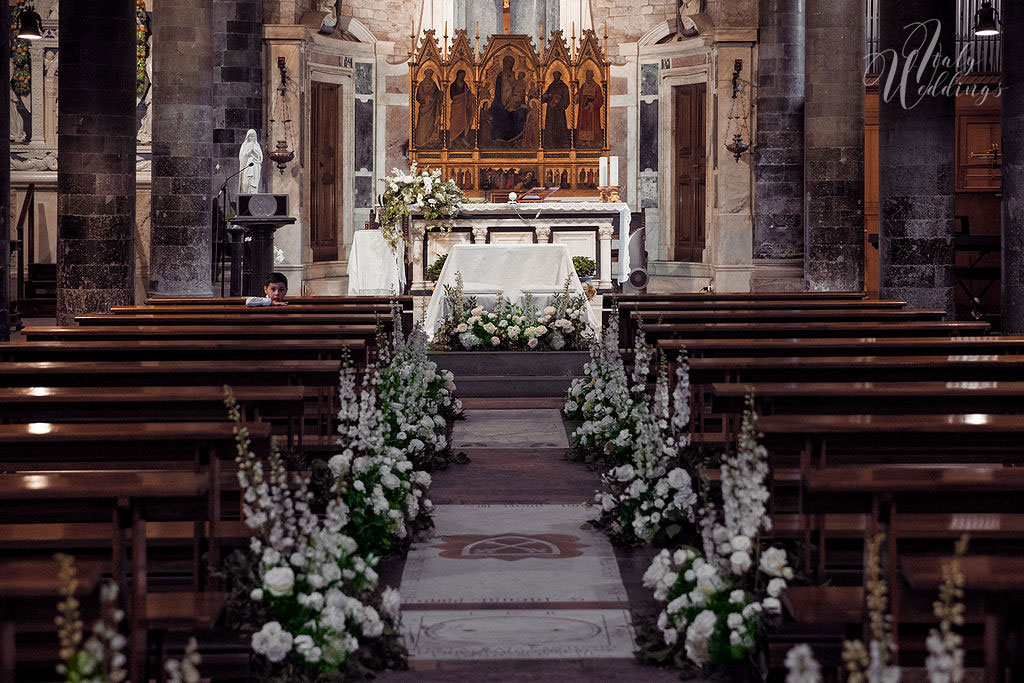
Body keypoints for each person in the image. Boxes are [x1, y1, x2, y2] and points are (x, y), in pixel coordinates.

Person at [576, 69, 605, 147]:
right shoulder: (583, 86)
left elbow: (600, 100)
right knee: (583, 125)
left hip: (592, 112)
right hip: (583, 112)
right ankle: (583, 140)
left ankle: (592, 142)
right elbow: (578, 97)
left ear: (592, 76)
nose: (587, 77)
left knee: (592, 125)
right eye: (586, 75)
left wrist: (591, 104)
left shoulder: (596, 86)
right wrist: (576, 90)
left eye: (589, 75)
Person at [541, 71, 570, 148]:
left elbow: (566, 100)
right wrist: (545, 97)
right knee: (550, 126)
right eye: (554, 75)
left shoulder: (564, 86)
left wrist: (559, 104)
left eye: (556, 75)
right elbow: (546, 96)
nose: (555, 77)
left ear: (560, 76)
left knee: (560, 126)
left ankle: (562, 143)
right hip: (551, 110)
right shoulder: (551, 86)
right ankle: (550, 143)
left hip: (559, 111)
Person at [448, 69, 476, 148]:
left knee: (464, 122)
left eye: (464, 75)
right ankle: (451, 139)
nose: (462, 76)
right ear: (457, 75)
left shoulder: (465, 84)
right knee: (454, 122)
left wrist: (471, 96)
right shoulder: (453, 85)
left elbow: (468, 94)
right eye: (461, 75)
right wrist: (464, 95)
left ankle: (463, 138)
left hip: (464, 107)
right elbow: (453, 97)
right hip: (456, 107)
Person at [414, 68, 441, 147]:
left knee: (431, 123)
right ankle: (421, 142)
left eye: (430, 74)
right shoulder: (422, 84)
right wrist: (426, 98)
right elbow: (418, 96)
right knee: (423, 124)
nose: (429, 75)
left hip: (432, 107)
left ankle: (429, 140)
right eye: (428, 74)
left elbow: (437, 94)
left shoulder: (434, 84)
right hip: (425, 107)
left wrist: (440, 93)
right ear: (425, 74)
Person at [238, 129, 263, 194]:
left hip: (255, 166)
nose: (251, 138)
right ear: (247, 137)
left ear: (255, 137)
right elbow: (242, 157)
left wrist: (254, 152)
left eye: (252, 136)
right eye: (249, 136)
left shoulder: (257, 146)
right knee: (246, 183)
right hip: (248, 165)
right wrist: (249, 152)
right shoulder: (244, 145)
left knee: (253, 184)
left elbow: (260, 158)